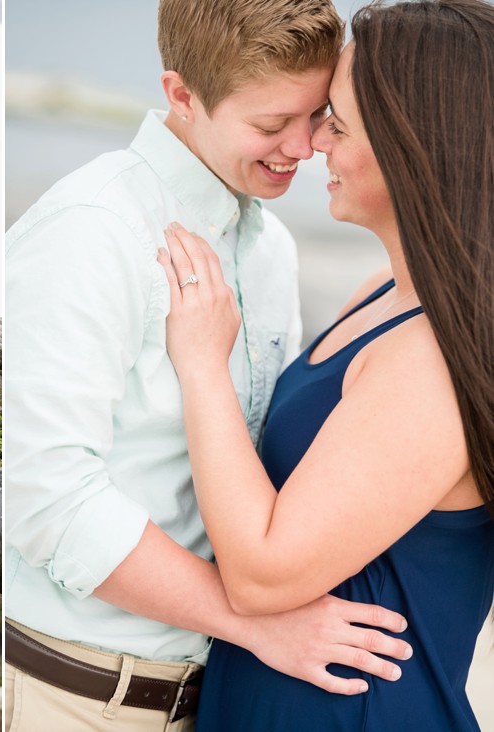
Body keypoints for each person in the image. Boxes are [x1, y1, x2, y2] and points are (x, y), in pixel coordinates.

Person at [4, 1, 414, 729]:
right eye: (269, 125)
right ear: (181, 96)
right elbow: (46, 502)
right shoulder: (91, 232)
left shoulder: (270, 247)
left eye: (317, 114)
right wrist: (255, 623)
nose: (306, 146)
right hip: (86, 697)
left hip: (221, 695)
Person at [157, 1, 494, 729]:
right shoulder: (384, 296)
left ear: (416, 143)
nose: (312, 144)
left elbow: (261, 574)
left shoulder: (431, 356)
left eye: (336, 121)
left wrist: (203, 364)